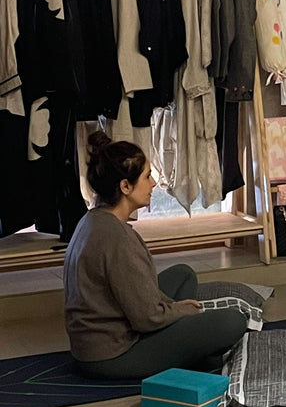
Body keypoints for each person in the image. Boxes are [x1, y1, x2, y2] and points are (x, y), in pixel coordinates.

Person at [63, 131, 247, 381]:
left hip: (100, 342)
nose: (153, 184)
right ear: (125, 186)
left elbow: (136, 296)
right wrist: (181, 312)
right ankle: (194, 354)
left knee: (183, 275)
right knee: (232, 321)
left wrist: (171, 307)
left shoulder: (93, 220)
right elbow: (146, 318)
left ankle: (191, 349)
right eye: (147, 176)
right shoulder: (117, 238)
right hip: (113, 354)